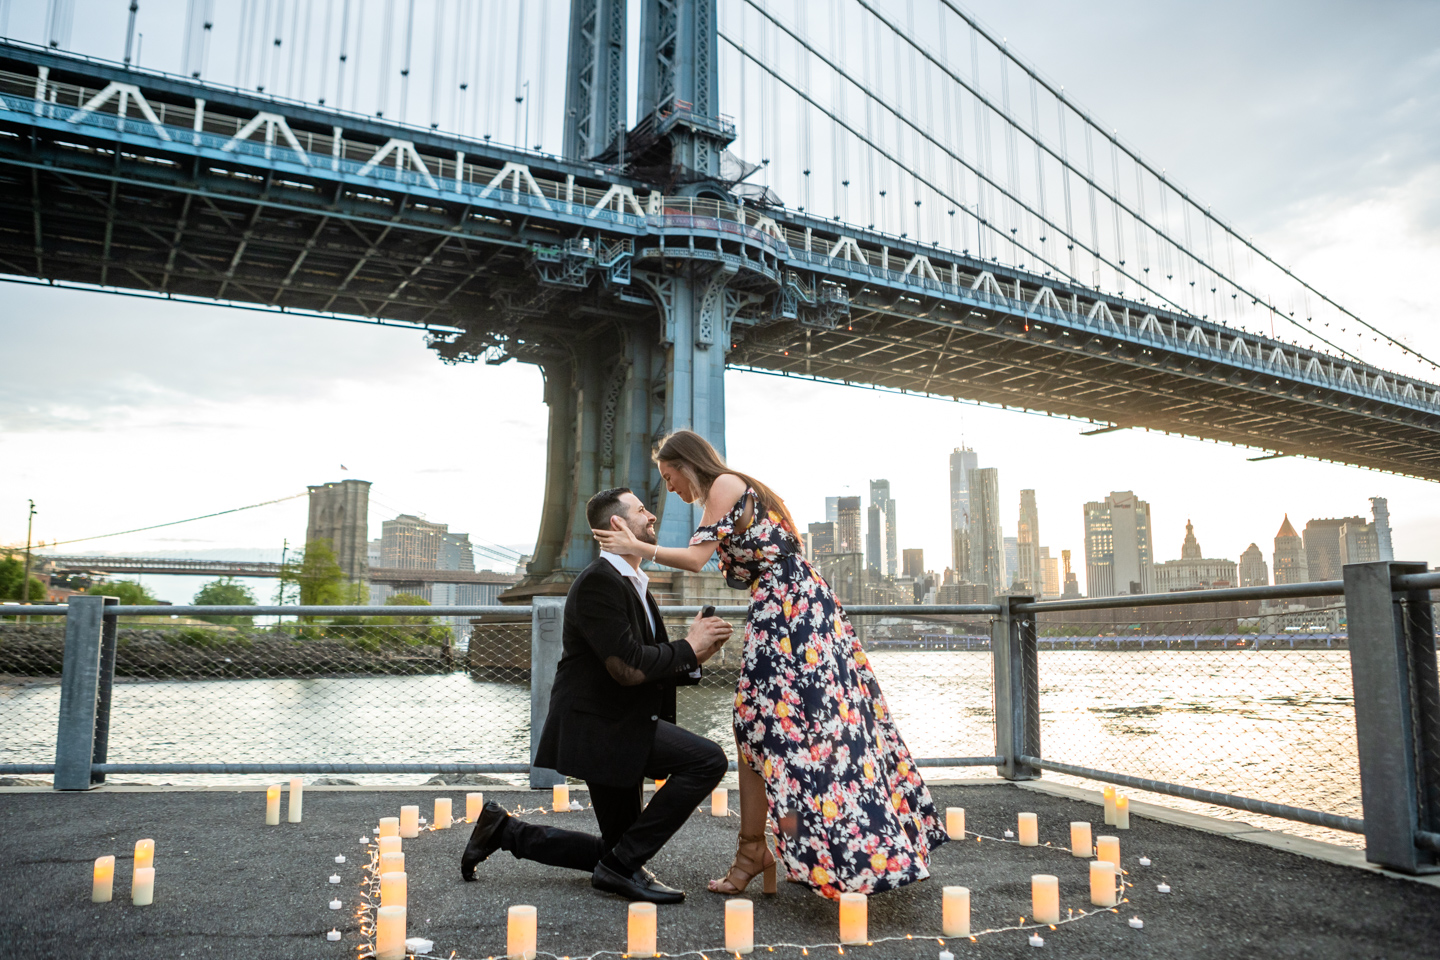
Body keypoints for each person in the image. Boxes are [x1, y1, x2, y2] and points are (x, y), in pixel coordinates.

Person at [593, 430, 948, 900]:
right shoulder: (730, 496)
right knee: (757, 725)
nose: (669, 489)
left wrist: (639, 549)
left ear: (686, 462)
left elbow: (698, 561)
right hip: (782, 611)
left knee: (786, 727)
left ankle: (768, 852)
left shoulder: (723, 485)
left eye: (668, 475)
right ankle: (754, 851)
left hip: (793, 614)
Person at [461, 487, 733, 904]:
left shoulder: (634, 582)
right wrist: (687, 647)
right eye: (642, 510)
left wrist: (695, 657)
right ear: (618, 525)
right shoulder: (598, 583)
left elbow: (645, 664)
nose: (653, 517)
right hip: (602, 728)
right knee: (707, 760)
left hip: (621, 723)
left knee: (619, 849)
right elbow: (626, 668)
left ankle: (506, 831)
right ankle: (617, 870)